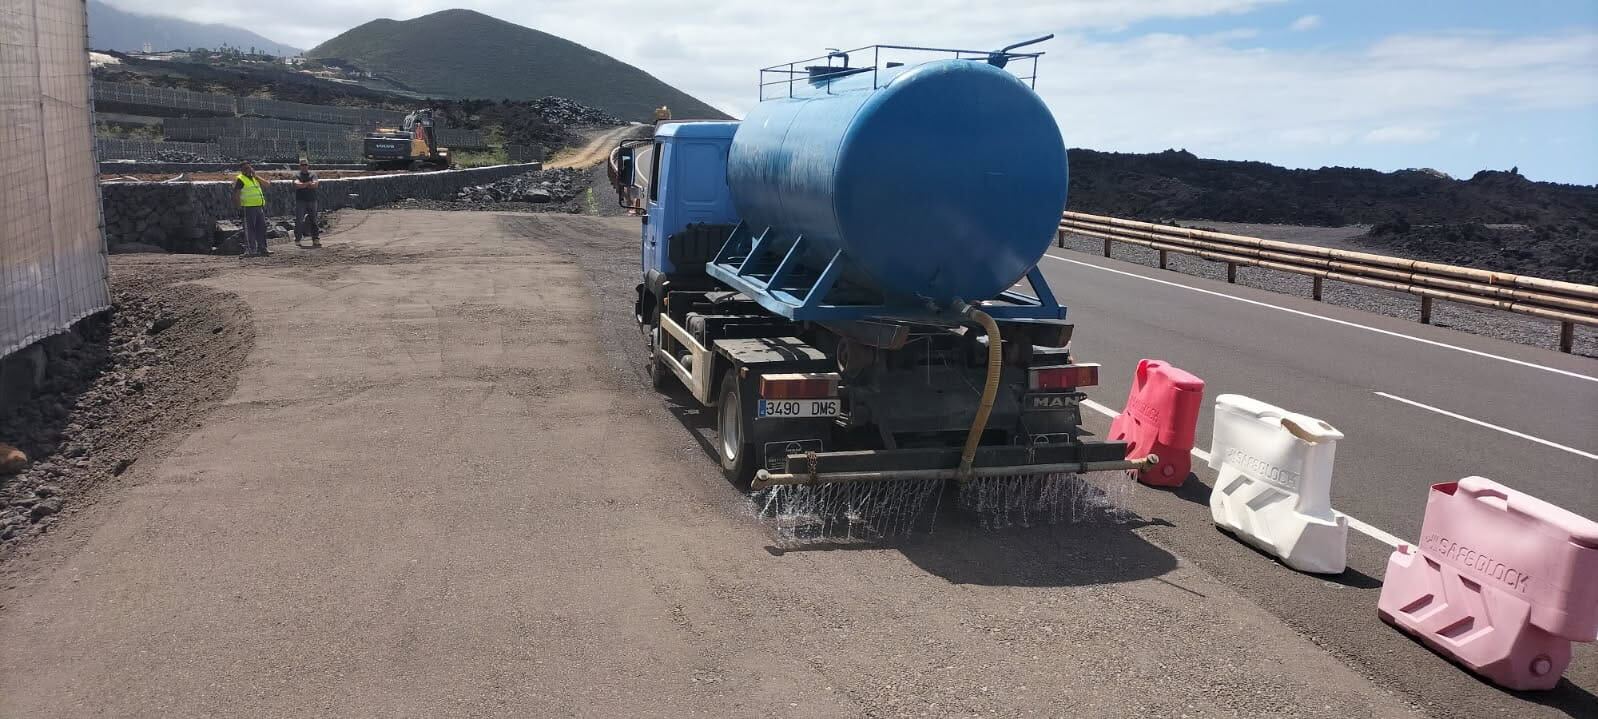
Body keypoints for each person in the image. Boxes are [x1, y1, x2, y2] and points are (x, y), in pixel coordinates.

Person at [233, 161, 269, 257]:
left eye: (249, 168)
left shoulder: (254, 178)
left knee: (261, 228)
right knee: (250, 230)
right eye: (245, 168)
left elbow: (267, 185)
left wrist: (256, 176)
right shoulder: (241, 179)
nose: (247, 170)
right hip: (248, 208)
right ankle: (251, 250)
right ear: (241, 170)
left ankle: (263, 248)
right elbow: (236, 194)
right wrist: (239, 207)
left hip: (258, 207)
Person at [293, 160, 321, 248]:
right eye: (302, 165)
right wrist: (308, 184)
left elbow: (315, 185)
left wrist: (304, 185)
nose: (304, 166)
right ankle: (297, 239)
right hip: (300, 201)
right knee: (299, 220)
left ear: (308, 165)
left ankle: (316, 239)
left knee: (314, 220)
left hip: (312, 200)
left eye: (305, 165)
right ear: (300, 166)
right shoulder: (296, 175)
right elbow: (298, 185)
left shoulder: (313, 174)